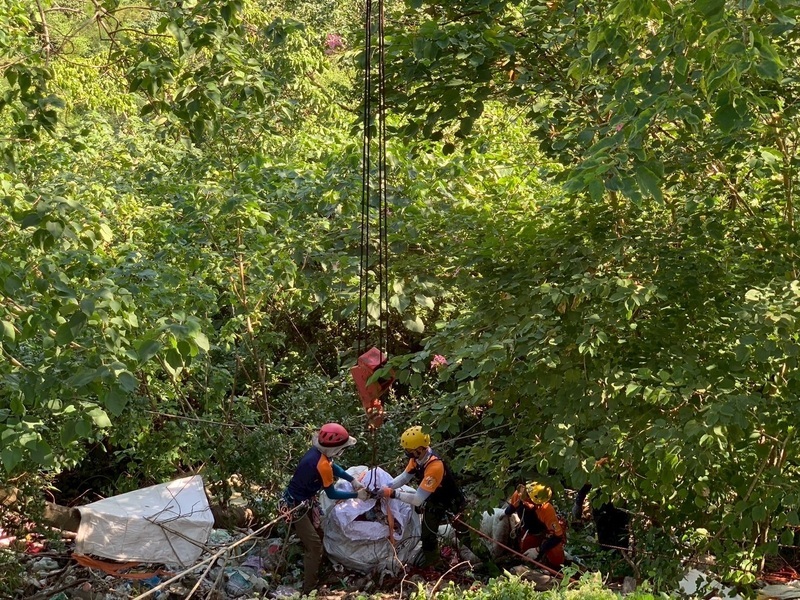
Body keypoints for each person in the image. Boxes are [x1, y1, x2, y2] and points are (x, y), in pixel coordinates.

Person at [283, 423, 370, 595]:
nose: (342, 452)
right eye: (342, 448)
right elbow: (331, 493)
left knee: (319, 534)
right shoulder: (319, 464)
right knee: (315, 545)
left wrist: (351, 479)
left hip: (304, 500)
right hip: (295, 505)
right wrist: (356, 496)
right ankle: (308, 589)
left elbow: (332, 466)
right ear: (335, 448)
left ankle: (315, 569)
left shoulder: (320, 455)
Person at [381, 426, 480, 568]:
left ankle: (492, 566)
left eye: (409, 450)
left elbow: (417, 499)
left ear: (420, 449)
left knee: (466, 538)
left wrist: (392, 494)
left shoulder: (435, 466)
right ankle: (434, 565)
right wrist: (387, 486)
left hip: (453, 503)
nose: (407, 453)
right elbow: (404, 477)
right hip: (434, 501)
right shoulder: (416, 459)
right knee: (427, 537)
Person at [500, 482, 566, 569]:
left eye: (530, 501)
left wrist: (538, 550)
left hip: (545, 533)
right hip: (529, 532)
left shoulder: (546, 510)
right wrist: (505, 513)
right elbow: (513, 506)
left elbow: (558, 536)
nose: (525, 501)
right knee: (525, 556)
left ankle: (557, 568)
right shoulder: (519, 494)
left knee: (556, 558)